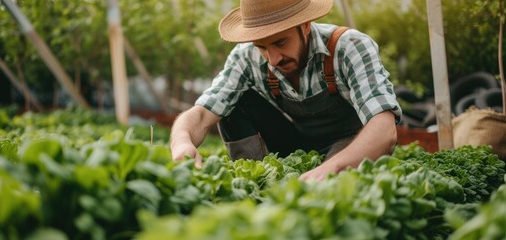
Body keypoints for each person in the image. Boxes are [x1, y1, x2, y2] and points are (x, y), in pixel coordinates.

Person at [170, 0, 402, 181]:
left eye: (281, 43)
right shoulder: (245, 57)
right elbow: (201, 114)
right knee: (232, 104)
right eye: (261, 47)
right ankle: (257, 183)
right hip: (298, 141)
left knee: (333, 185)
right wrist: (181, 142)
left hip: (350, 143)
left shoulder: (349, 47)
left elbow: (384, 128)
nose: (272, 59)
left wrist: (331, 168)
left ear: (305, 26)